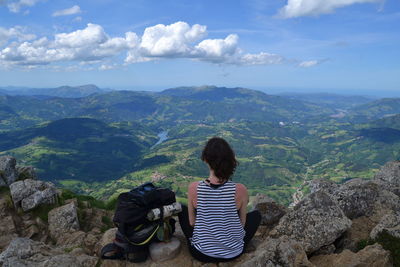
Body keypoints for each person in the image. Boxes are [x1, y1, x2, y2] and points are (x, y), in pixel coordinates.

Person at [178, 137, 261, 263]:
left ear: (205, 159)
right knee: (256, 216)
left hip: (201, 253)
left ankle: (205, 243)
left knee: (180, 209)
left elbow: (192, 223)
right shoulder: (240, 189)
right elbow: (242, 224)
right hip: (233, 253)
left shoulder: (193, 188)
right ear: (230, 160)